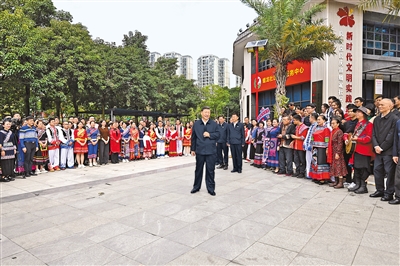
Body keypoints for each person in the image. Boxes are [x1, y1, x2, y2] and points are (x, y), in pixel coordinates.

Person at [370, 99, 398, 201]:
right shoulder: (377, 119)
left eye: (382, 105)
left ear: (390, 106)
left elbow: (392, 135)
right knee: (377, 170)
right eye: (379, 105)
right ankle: (379, 190)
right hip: (378, 150)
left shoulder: (394, 119)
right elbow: (373, 134)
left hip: (388, 151)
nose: (380, 106)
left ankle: (389, 193)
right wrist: (376, 146)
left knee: (389, 172)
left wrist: (382, 147)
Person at [191, 106, 220, 196]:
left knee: (210, 170)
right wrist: (193, 149)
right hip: (199, 150)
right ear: (201, 113)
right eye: (205, 112)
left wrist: (210, 135)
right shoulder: (196, 124)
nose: (207, 114)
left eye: (208, 112)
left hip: (211, 151)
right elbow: (193, 137)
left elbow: (218, 134)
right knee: (198, 170)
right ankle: (196, 187)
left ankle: (211, 188)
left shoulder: (214, 124)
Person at [345, 107, 374, 194]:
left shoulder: (368, 124)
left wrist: (358, 139)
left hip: (365, 150)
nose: (356, 113)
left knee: (363, 169)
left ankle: (363, 186)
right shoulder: (358, 124)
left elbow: (369, 138)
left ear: (363, 114)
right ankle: (358, 184)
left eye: (358, 112)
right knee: (356, 168)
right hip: (357, 149)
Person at [309, 115, 331, 183]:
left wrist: (327, 147)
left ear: (324, 120)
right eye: (317, 119)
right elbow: (312, 136)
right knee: (315, 161)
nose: (318, 121)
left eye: (320, 119)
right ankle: (315, 176)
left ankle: (322, 178)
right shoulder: (315, 128)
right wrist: (312, 145)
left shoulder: (326, 128)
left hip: (322, 148)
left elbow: (327, 139)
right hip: (315, 147)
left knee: (321, 162)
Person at [328, 117, 347, 188]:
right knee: (334, 166)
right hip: (332, 151)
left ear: (338, 124)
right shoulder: (332, 131)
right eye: (331, 123)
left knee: (339, 166)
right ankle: (336, 181)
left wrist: (338, 153)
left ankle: (340, 182)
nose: (332, 125)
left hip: (337, 151)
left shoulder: (339, 132)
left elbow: (340, 143)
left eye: (333, 123)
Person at [303, 113, 318, 179]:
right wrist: (305, 143)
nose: (309, 119)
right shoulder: (311, 126)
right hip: (308, 145)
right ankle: (309, 173)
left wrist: (311, 145)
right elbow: (308, 135)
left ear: (312, 118)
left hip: (312, 146)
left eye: (310, 117)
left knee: (313, 160)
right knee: (308, 160)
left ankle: (313, 174)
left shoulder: (316, 126)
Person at [390, 119, 400, 204]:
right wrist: (395, 154)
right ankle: (398, 196)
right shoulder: (398, 122)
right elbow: (396, 139)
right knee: (398, 178)